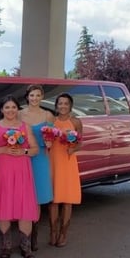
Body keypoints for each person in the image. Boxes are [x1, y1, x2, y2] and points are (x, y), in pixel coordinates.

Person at [0, 96, 40, 258]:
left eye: (13, 107)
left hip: (22, 171)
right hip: (3, 170)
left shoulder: (25, 127)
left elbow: (35, 149)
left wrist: (23, 151)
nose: (10, 110)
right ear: (2, 110)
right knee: (4, 205)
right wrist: (3, 150)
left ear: (18, 109)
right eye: (7, 107)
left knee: (24, 205)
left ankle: (26, 247)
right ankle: (6, 245)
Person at [19, 84, 55, 251]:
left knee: (38, 197)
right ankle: (24, 235)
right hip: (23, 157)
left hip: (40, 158)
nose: (34, 98)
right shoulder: (19, 114)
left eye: (38, 95)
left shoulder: (48, 115)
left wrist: (49, 142)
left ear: (42, 97)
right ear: (27, 97)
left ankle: (34, 237)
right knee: (24, 195)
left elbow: (53, 138)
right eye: (32, 95)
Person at [48, 93, 83, 248]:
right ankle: (53, 231)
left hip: (68, 162)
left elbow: (80, 142)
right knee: (53, 200)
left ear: (70, 105)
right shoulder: (51, 122)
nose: (63, 106)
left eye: (66, 103)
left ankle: (63, 233)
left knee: (67, 200)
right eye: (60, 103)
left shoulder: (75, 122)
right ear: (56, 105)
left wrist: (73, 148)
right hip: (53, 161)